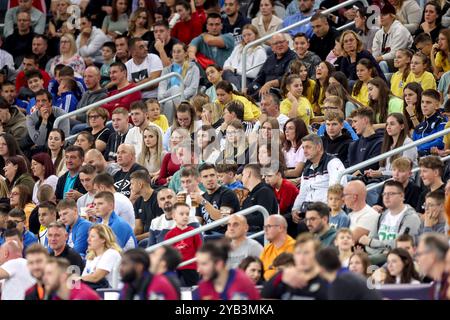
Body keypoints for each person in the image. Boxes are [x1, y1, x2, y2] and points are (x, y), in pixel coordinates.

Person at [358, 180, 421, 262]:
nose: (386, 197)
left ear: (402, 196)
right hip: (378, 256)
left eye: (391, 194)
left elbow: (400, 246)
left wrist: (372, 243)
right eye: (384, 194)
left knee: (360, 263)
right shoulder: (382, 215)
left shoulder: (411, 218)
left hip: (399, 260)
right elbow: (367, 242)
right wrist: (381, 250)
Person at [262, 233, 329, 300]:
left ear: (317, 255)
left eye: (306, 253)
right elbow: (265, 294)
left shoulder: (326, 281)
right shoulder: (286, 278)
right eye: (298, 253)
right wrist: (281, 275)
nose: (301, 258)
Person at [292, 133, 346, 214]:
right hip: (307, 210)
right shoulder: (307, 169)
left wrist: (331, 210)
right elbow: (302, 193)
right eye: (303, 148)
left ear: (319, 147)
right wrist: (295, 210)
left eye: (308, 147)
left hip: (324, 211)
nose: (305, 151)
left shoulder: (333, 162)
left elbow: (336, 189)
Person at [193, 240, 261, 300]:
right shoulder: (203, 286)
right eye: (198, 264)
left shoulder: (242, 283)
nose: (199, 269)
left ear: (219, 264)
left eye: (204, 264)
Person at [316, 247, 382, 299]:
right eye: (351, 263)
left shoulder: (340, 282)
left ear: (321, 268)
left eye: (357, 263)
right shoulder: (345, 277)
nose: (353, 266)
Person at [158, 43, 200, 124]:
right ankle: (186, 117)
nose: (176, 54)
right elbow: (161, 92)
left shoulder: (194, 68)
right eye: (174, 52)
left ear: (185, 53)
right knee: (172, 95)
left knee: (171, 99)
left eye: (179, 51)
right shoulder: (166, 70)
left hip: (186, 99)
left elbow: (193, 89)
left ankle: (170, 129)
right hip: (167, 99)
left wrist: (179, 95)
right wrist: (174, 94)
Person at [195, 163, 240, 237]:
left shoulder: (227, 193)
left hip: (224, 235)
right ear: (200, 180)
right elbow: (198, 223)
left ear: (217, 176)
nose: (209, 179)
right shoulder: (202, 197)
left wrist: (204, 202)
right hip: (208, 235)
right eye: (205, 176)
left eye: (212, 175)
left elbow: (223, 220)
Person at [247, 33, 297, 99]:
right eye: (276, 43)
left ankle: (250, 99)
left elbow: (289, 78)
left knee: (268, 93)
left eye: (281, 42)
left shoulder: (293, 58)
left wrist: (270, 84)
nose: (279, 45)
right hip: (264, 89)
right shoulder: (270, 59)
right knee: (250, 88)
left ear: (287, 43)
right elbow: (259, 78)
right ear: (272, 47)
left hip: (281, 91)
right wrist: (250, 87)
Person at [164, 203, 202, 286]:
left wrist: (199, 265)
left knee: (193, 288)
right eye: (181, 214)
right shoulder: (170, 234)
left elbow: (199, 249)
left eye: (187, 214)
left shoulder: (193, 232)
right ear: (174, 216)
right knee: (174, 288)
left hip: (191, 266)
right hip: (175, 267)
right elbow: (167, 253)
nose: (185, 216)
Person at [372, 3, 413, 73]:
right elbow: (375, 54)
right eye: (380, 14)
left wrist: (378, 59)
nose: (381, 17)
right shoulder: (378, 34)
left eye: (384, 14)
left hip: (404, 63)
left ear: (392, 16)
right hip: (388, 61)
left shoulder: (400, 30)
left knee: (382, 64)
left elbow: (395, 54)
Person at [241, 164, 279, 233]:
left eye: (243, 174)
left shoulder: (265, 191)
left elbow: (263, 218)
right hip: (248, 232)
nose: (241, 178)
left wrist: (240, 219)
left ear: (248, 174)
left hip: (261, 234)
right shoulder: (249, 195)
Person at [130, 170, 163, 245]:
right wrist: (130, 238)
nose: (130, 187)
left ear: (140, 184)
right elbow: (138, 229)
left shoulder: (158, 199)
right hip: (144, 237)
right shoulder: (138, 202)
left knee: (143, 243)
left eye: (132, 184)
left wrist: (136, 238)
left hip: (156, 237)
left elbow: (158, 229)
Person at [348, 107, 384, 173]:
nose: (352, 126)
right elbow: (350, 167)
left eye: (355, 121)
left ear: (365, 120)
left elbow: (370, 166)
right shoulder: (353, 145)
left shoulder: (380, 143)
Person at [260, 215, 295, 281]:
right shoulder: (266, 249)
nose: (265, 230)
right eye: (264, 227)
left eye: (269, 226)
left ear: (280, 228)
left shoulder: (295, 247)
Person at [412, 89, 446, 156]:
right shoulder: (419, 127)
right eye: (422, 102)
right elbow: (413, 144)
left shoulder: (442, 121)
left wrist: (421, 148)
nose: (424, 105)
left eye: (428, 102)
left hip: (435, 159)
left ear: (437, 105)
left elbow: (441, 141)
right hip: (418, 158)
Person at [416, 233, 449, 300]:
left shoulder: (447, 284)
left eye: (419, 254)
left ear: (432, 256)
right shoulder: (436, 286)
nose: (417, 259)